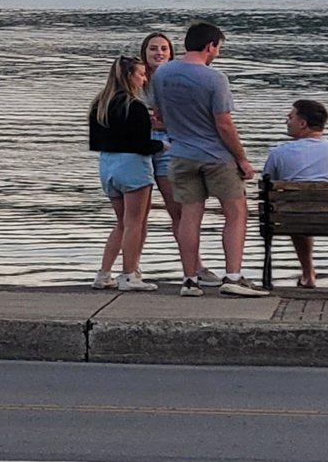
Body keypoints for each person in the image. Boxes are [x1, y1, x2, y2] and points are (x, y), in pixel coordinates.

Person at [154, 20, 261, 297]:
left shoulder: (163, 74)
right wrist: (242, 159)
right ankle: (233, 277)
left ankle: (190, 279)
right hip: (215, 156)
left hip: (179, 155)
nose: (218, 53)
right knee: (236, 213)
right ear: (209, 45)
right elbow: (224, 123)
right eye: (218, 48)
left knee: (189, 216)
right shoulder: (215, 79)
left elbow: (161, 116)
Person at [261, 99, 328, 290]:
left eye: (290, 117)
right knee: (301, 210)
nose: (287, 121)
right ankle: (308, 273)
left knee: (294, 211)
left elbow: (269, 190)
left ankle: (307, 273)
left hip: (295, 218)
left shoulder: (279, 153)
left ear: (303, 124)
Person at [86, 52, 162, 290]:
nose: (144, 80)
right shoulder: (135, 106)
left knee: (120, 222)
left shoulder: (99, 104)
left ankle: (103, 273)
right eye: (141, 74)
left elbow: (96, 141)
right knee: (134, 223)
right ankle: (129, 274)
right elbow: (142, 145)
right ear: (129, 76)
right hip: (133, 166)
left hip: (107, 164)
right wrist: (162, 144)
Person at [134, 31, 180, 237]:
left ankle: (195, 266)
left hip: (168, 143)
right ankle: (132, 267)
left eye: (163, 49)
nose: (158, 53)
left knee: (177, 208)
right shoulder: (134, 79)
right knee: (137, 214)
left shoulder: (177, 80)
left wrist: (166, 122)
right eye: (153, 48)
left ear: (171, 54)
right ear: (144, 53)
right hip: (139, 145)